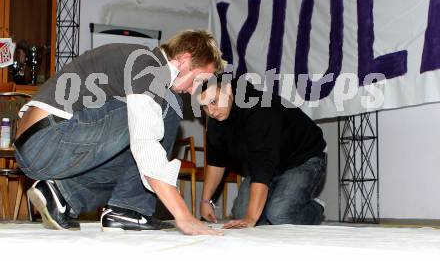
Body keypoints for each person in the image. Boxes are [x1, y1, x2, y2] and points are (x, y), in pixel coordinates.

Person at [14, 29, 224, 236]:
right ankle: (129, 209)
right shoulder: (149, 65)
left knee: (131, 168)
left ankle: (61, 194)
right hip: (49, 138)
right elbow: (145, 144)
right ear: (184, 59)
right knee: (169, 106)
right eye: (197, 80)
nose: (193, 90)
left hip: (36, 145)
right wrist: (183, 215)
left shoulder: (137, 60)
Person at [198, 76, 327, 228]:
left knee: (279, 215)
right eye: (205, 107)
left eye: (213, 101)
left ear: (229, 90)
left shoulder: (258, 109)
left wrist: (251, 218)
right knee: (241, 214)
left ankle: (315, 209)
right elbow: (216, 161)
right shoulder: (216, 120)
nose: (211, 111)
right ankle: (274, 204)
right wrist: (205, 200)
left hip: (303, 159)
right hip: (269, 165)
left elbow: (263, 164)